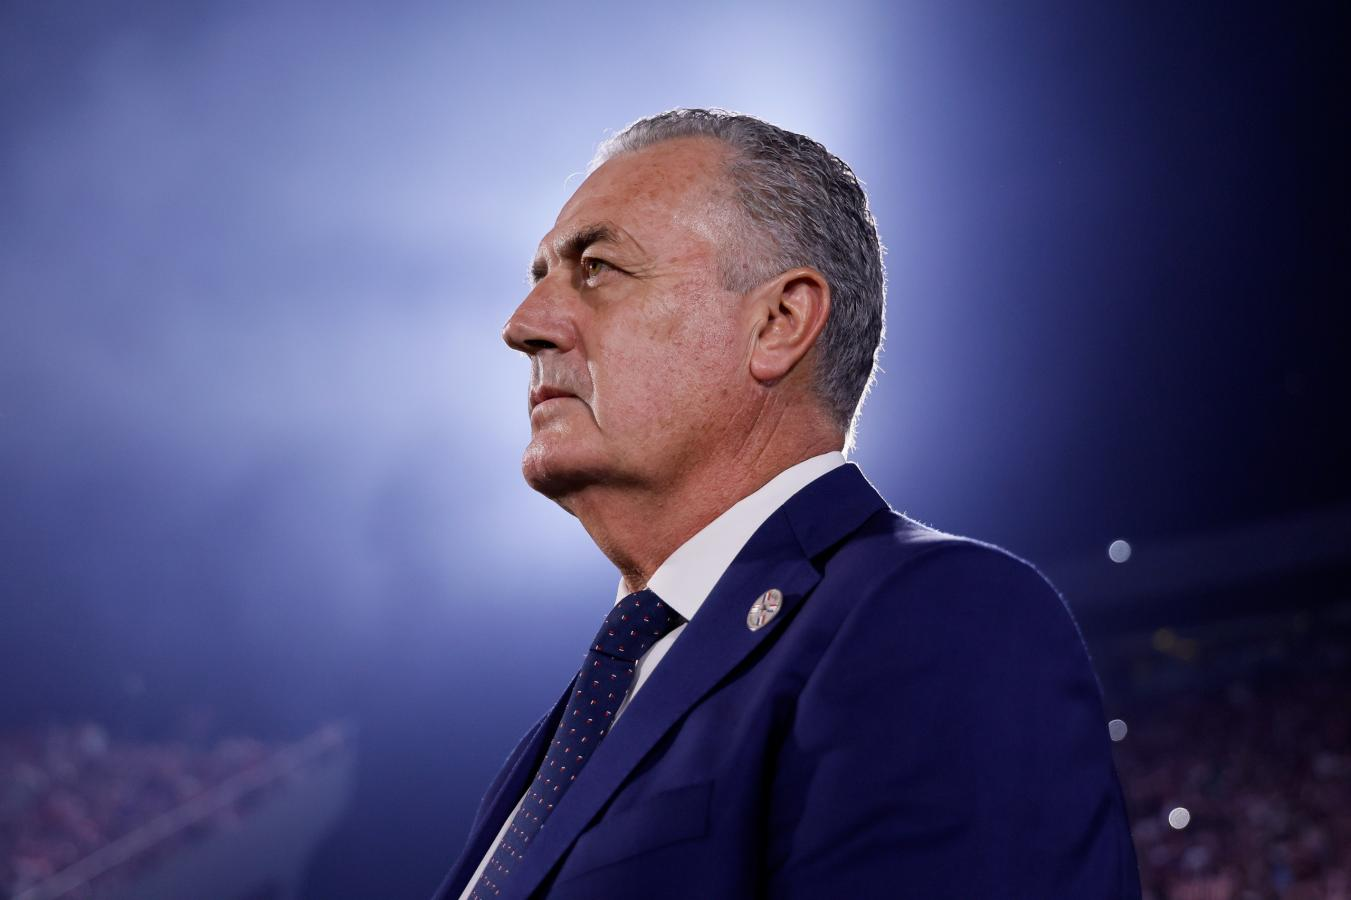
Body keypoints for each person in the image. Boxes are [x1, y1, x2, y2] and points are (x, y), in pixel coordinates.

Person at [433, 108, 1141, 899]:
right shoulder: (576, 720)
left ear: (777, 322)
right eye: (539, 278)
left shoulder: (935, 614)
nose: (522, 325)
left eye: (596, 268)